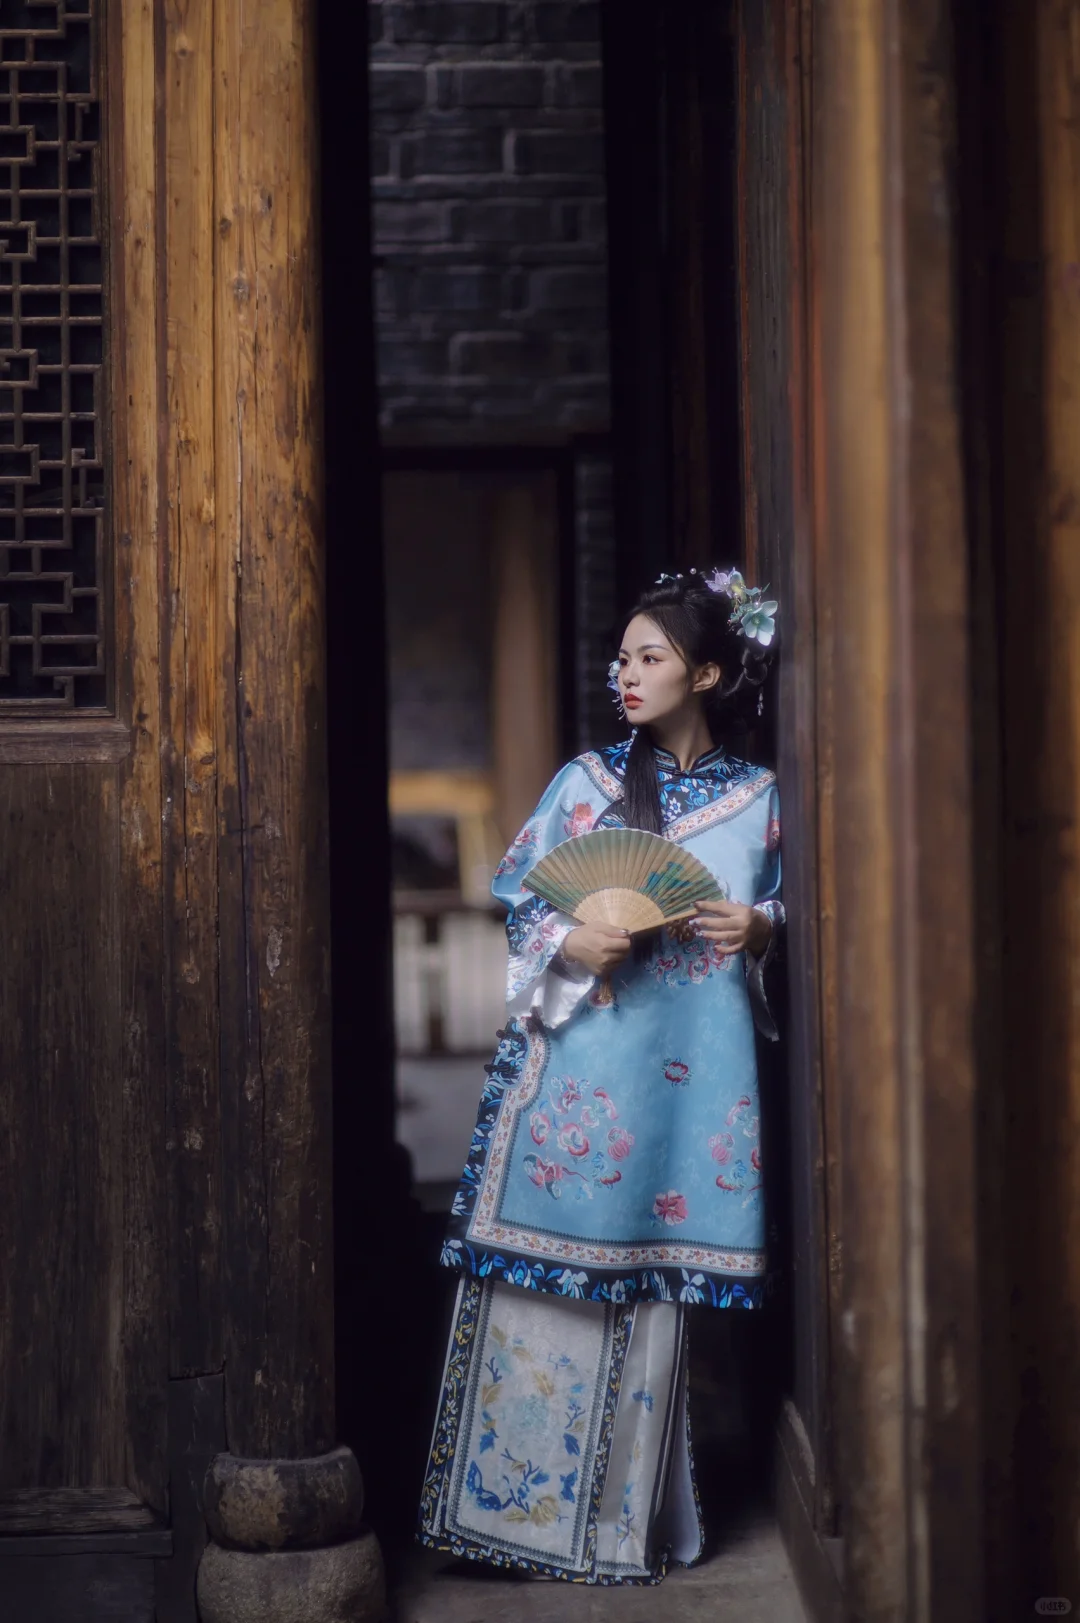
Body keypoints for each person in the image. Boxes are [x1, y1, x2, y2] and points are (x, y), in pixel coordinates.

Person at [418, 568, 783, 1584]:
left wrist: (762, 925)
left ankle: (621, 1531)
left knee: (651, 1294)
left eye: (651, 658)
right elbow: (523, 904)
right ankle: (509, 1521)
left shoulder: (762, 802)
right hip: (581, 1073)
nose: (625, 674)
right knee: (547, 1288)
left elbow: (798, 915)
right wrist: (571, 938)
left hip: (687, 1088)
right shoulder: (583, 785)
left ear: (707, 672)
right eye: (621, 658)